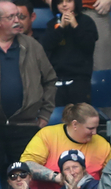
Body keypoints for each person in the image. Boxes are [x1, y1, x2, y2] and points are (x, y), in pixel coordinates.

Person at [0, 0, 57, 175]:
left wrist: (45, 114)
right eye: (11, 17)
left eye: (19, 15)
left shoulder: (32, 46)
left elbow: (50, 79)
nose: (18, 20)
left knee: (24, 178)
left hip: (25, 126)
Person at [21, 103, 111, 189]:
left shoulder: (102, 144)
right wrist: (57, 177)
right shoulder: (48, 135)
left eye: (96, 128)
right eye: (90, 128)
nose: (94, 133)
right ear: (75, 124)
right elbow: (26, 165)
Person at [42, 0, 98, 106]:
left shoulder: (86, 22)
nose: (64, 4)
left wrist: (75, 26)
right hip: (56, 80)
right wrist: (61, 28)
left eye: (68, 1)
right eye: (59, 2)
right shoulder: (52, 23)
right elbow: (46, 46)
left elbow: (89, 46)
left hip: (80, 79)